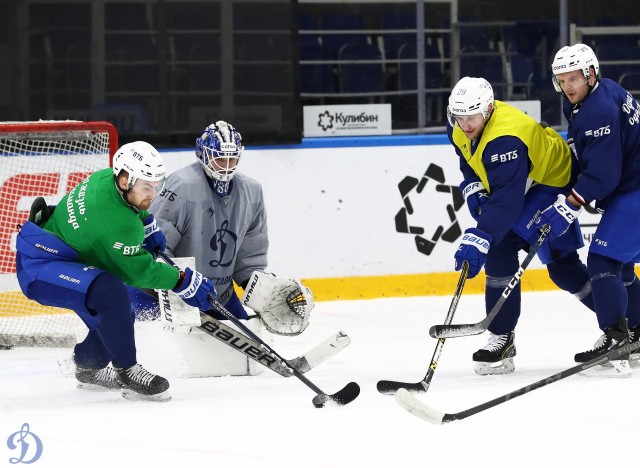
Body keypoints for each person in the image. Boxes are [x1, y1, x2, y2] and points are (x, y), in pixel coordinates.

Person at [15, 141, 215, 401]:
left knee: (114, 317)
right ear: (125, 181)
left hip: (61, 253)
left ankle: (87, 368)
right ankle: (127, 370)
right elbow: (137, 272)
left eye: (156, 187)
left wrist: (148, 224)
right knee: (111, 291)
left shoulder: (105, 178)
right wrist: (181, 281)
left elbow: (132, 212)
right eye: (146, 188)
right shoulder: (116, 226)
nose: (152, 195)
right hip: (40, 267)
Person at [447, 76, 595, 375]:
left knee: (515, 250)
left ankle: (628, 324)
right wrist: (473, 184)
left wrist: (481, 235)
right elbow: (467, 158)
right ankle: (502, 337)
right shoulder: (462, 123)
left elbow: (507, 201)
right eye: (459, 118)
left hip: (550, 183)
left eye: (472, 117)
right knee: (554, 265)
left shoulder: (506, 139)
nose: (466, 125)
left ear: (488, 109)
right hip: (527, 184)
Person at [132, 120, 313, 337]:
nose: (226, 165)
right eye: (219, 158)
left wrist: (263, 294)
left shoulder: (251, 192)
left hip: (218, 295)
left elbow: (250, 256)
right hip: (160, 292)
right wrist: (179, 284)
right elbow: (155, 247)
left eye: (232, 158)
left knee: (248, 343)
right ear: (204, 155)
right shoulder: (182, 185)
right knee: (145, 341)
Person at [536, 43, 640, 375]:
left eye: (573, 79)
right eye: (562, 80)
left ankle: (616, 337)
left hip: (635, 190)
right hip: (632, 187)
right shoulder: (603, 92)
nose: (567, 87)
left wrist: (569, 206)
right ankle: (636, 330)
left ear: (590, 74)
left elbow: (604, 175)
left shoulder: (597, 111)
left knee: (602, 259)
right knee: (620, 266)